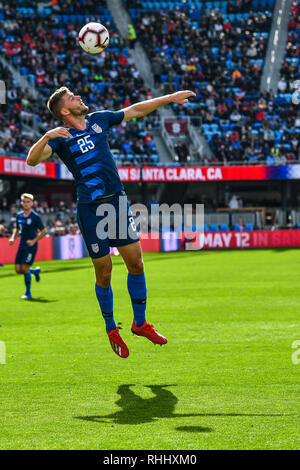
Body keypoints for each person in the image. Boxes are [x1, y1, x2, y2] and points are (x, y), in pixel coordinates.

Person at [26, 86, 196, 358]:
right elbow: (32, 160)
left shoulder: (99, 120)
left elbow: (136, 110)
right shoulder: (60, 138)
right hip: (91, 209)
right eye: (72, 98)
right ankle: (111, 328)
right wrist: (47, 134)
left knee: (136, 263)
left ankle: (139, 323)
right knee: (104, 272)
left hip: (116, 202)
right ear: (64, 111)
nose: (79, 97)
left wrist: (169, 99)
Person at [9, 193, 47, 300]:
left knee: (25, 269)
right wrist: (13, 237)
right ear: (21, 203)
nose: (25, 204)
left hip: (31, 246)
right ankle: (34, 271)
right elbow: (17, 228)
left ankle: (28, 292)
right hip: (21, 245)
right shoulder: (19, 215)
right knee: (17, 269)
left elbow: (44, 231)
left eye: (28, 202)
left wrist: (34, 241)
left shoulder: (35, 217)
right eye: (24, 202)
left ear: (32, 203)